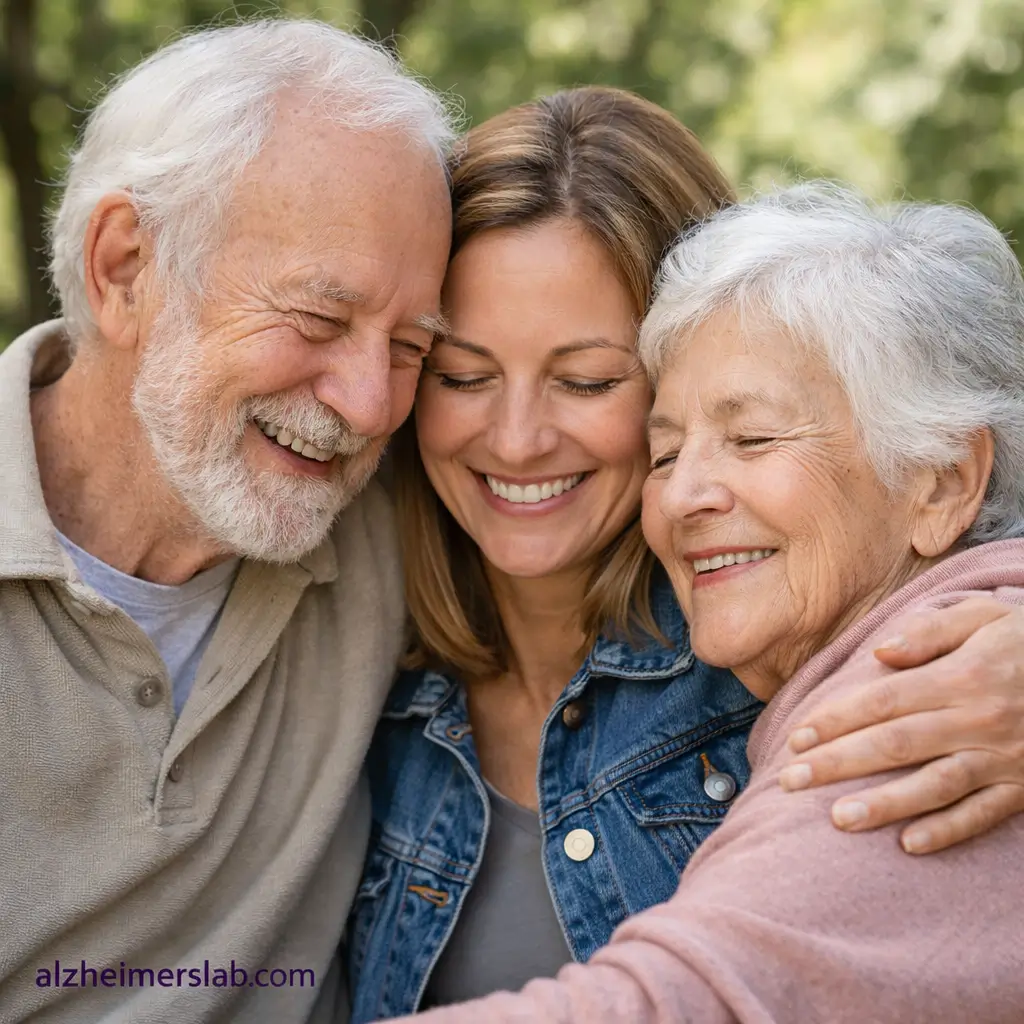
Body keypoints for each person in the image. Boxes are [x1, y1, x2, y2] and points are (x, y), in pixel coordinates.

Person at [344, 90, 1024, 1022]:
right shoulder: (363, 651)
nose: (515, 438)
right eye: (462, 376)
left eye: (586, 380)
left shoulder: (813, 644)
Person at [0, 19, 456, 1024]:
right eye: (318, 320)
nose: (370, 403)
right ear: (126, 267)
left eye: (413, 348)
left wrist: (889, 661)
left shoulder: (397, 522)